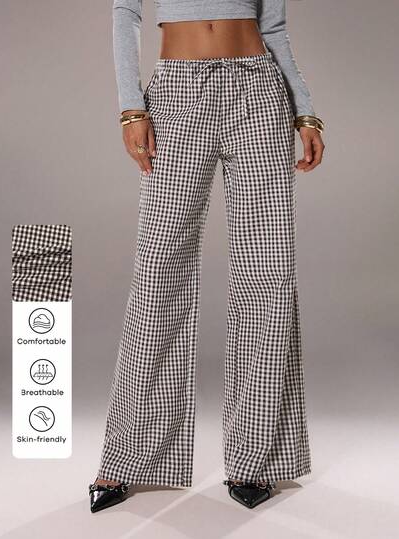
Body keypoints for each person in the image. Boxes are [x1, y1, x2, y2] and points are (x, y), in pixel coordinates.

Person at [89, 0, 325, 512]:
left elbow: (274, 26)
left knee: (267, 276)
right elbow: (125, 12)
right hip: (176, 93)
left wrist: (304, 110)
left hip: (259, 93)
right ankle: (130, 456)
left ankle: (256, 460)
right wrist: (132, 107)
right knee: (158, 275)